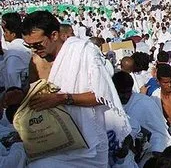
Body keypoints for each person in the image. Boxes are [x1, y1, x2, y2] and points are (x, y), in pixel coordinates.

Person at [22, 11, 130, 167]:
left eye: (38, 44)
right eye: (29, 46)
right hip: (54, 141)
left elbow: (101, 97)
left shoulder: (83, 51)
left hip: (89, 145)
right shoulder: (36, 60)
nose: (34, 49)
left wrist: (62, 98)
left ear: (54, 35)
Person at [112, 71, 171, 165]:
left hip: (148, 157)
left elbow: (161, 131)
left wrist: (157, 152)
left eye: (128, 92)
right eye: (121, 92)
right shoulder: (108, 105)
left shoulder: (144, 103)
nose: (125, 96)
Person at [1, 12, 30, 91]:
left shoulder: (13, 52)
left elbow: (11, 73)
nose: (4, 34)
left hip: (15, 92)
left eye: (6, 32)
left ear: (13, 34)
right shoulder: (26, 45)